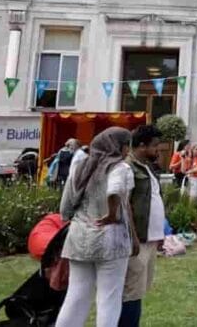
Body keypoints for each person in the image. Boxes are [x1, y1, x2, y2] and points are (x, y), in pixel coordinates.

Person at [56, 127, 136, 327]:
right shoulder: (120, 167)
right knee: (109, 298)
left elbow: (65, 208)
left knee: (76, 296)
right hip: (110, 240)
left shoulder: (80, 166)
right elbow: (115, 190)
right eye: (127, 145)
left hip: (79, 238)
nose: (128, 150)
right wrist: (112, 213)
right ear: (118, 146)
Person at [118, 125, 166, 327]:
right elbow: (124, 205)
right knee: (131, 292)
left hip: (150, 239)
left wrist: (160, 233)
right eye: (155, 146)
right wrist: (133, 238)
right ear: (141, 146)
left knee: (139, 290)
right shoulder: (127, 168)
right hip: (137, 241)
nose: (158, 150)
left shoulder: (146, 167)